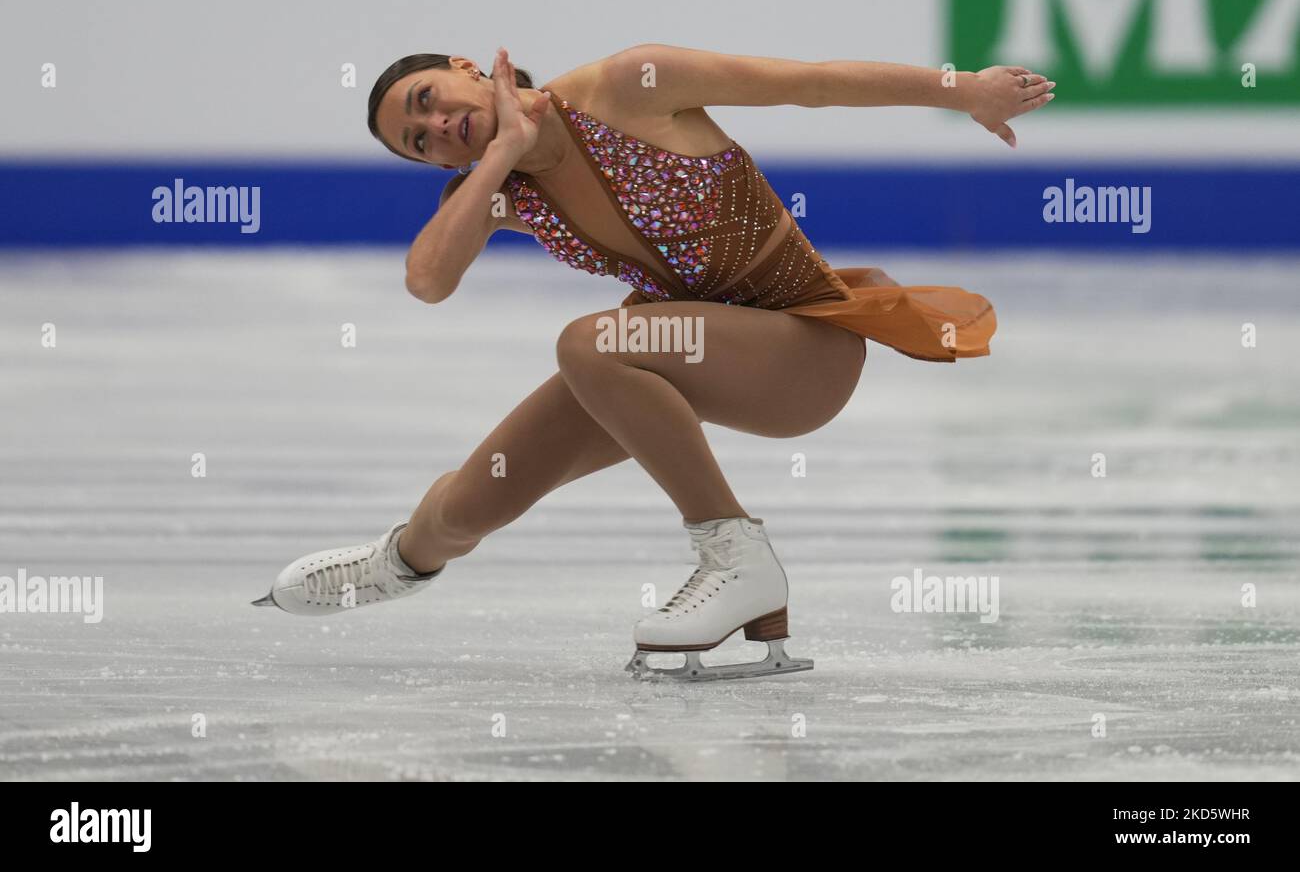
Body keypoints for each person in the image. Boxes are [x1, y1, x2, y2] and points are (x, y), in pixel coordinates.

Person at [254, 44, 1053, 680]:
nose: (436, 128)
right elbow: (427, 280)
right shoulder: (501, 193)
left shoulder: (629, 85)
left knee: (587, 345)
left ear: (467, 68)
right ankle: (393, 565)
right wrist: (500, 160)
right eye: (418, 143)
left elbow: (807, 83)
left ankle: (734, 556)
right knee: (468, 504)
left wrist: (964, 91)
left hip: (802, 351)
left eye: (427, 100)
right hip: (678, 353)